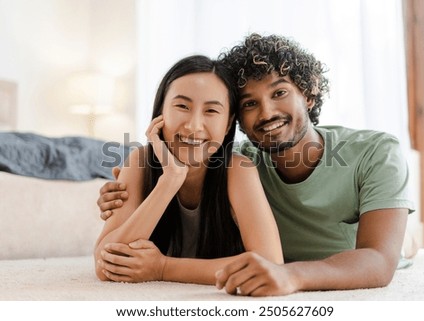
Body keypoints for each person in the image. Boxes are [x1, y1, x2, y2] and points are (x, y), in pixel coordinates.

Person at [97, 34, 415, 296]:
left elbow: (377, 261)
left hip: (354, 257)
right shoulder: (238, 160)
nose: (266, 113)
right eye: (250, 103)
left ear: (309, 95)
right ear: (237, 119)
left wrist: (292, 276)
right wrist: (134, 186)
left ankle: (410, 239)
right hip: (280, 262)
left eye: (279, 92)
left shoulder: (377, 152)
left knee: (405, 245)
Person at [94, 54, 283, 284]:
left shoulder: (238, 170)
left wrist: (162, 268)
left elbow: (270, 263)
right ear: (160, 112)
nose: (194, 125)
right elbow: (106, 266)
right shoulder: (140, 162)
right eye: (182, 106)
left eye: (211, 111)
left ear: (228, 123)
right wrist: (170, 180)